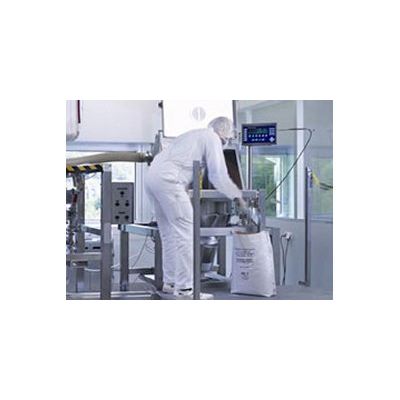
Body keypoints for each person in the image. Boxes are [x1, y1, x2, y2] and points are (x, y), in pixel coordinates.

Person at [145, 117, 247, 300]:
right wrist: (238, 197)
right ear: (222, 131)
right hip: (169, 181)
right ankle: (185, 289)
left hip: (153, 177)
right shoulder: (212, 138)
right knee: (186, 234)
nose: (226, 142)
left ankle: (171, 283)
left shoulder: (194, 135)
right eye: (227, 137)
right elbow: (218, 175)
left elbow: (182, 163)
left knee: (169, 234)